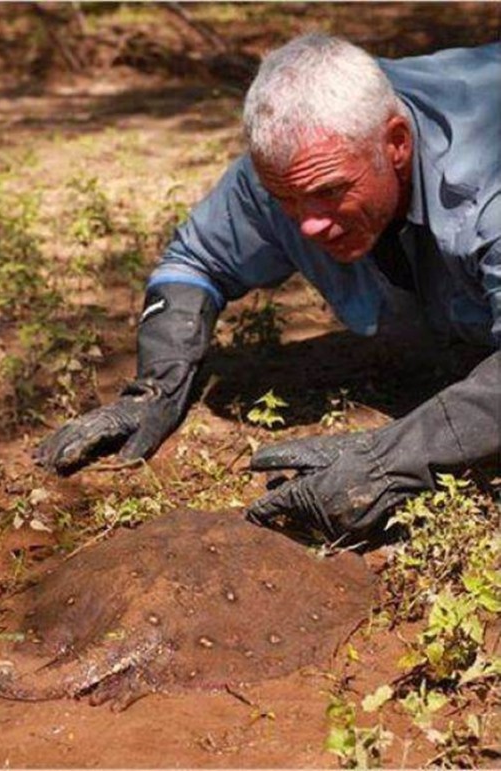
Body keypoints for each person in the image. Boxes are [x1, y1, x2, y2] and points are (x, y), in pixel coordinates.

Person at [34, 35, 501, 544]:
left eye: (330, 192)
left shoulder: (483, 187)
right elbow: (193, 263)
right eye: (287, 200)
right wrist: (156, 387)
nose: (309, 225)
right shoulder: (297, 164)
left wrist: (388, 461)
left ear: (396, 144)